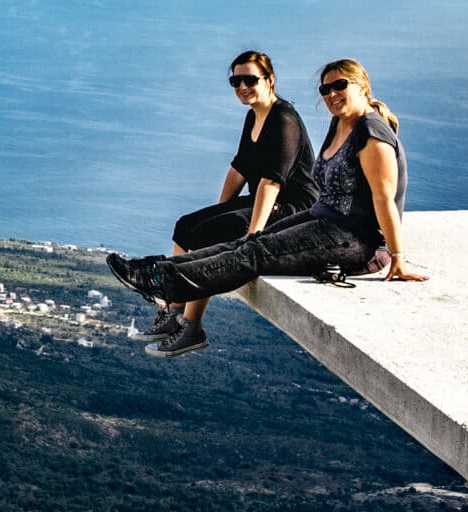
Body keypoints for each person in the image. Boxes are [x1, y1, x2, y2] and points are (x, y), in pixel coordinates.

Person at [108, 58, 427, 353]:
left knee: (254, 254)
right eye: (325, 89)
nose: (331, 94)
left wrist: (397, 257)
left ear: (362, 87)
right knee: (249, 243)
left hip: (354, 239)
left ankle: (164, 283)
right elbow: (243, 167)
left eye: (340, 85)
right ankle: (156, 270)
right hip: (324, 220)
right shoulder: (341, 124)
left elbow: (384, 198)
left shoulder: (371, 133)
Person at [129, 51, 318, 358]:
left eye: (250, 79)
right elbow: (240, 168)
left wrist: (253, 234)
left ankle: (192, 326)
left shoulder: (284, 119)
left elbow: (272, 181)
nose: (242, 86)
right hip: (265, 200)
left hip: (292, 208)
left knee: (210, 234)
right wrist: (216, 212)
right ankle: (175, 310)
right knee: (187, 226)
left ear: (270, 80)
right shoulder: (254, 115)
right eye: (236, 81)